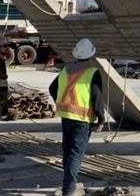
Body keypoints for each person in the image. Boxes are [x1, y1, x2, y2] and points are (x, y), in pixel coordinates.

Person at [49, 38, 105, 196]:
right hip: (82, 120)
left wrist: (62, 102)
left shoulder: (66, 70)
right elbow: (97, 97)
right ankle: (69, 189)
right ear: (91, 55)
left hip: (66, 116)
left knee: (68, 151)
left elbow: (52, 88)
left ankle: (68, 184)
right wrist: (101, 119)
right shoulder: (92, 72)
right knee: (76, 154)